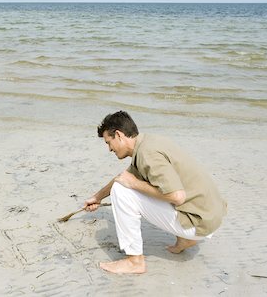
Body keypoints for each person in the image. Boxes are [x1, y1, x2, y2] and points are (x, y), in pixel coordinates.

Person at [84, 111, 227, 274]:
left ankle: (134, 261)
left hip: (199, 223)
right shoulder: (148, 143)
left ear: (119, 135)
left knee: (121, 191)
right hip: (210, 218)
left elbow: (177, 197)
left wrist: (135, 184)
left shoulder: (147, 154)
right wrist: (97, 197)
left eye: (109, 142)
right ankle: (185, 239)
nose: (109, 149)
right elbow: (123, 177)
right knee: (125, 184)